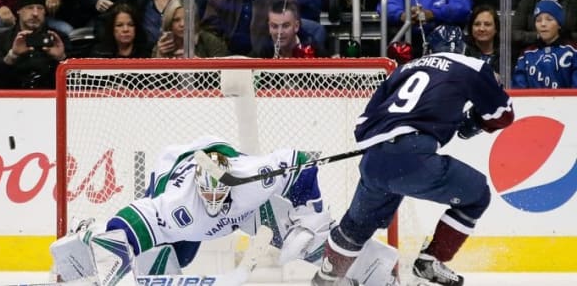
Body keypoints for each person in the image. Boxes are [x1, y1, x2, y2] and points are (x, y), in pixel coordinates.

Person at [311, 25, 515, 286]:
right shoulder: (470, 65)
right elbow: (503, 115)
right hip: (414, 157)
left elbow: (363, 124)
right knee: (477, 194)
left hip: (374, 161)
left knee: (356, 226)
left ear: (429, 50)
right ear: (462, 48)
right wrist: (471, 122)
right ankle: (430, 260)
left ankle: (326, 278)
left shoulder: (405, 69)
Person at [56, 135, 332, 279]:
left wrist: (310, 216)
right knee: (164, 257)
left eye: (218, 195)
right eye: (207, 195)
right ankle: (87, 235)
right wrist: (111, 251)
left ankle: (347, 262)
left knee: (302, 239)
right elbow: (134, 218)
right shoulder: (178, 206)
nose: (212, 203)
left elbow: (303, 164)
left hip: (224, 163)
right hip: (174, 166)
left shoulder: (252, 180)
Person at [0, 0, 68, 89]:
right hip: (13, 100)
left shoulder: (59, 39)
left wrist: (62, 59)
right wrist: (12, 56)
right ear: (19, 10)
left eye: (40, 8)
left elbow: (74, 84)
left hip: (50, 100)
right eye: (30, 7)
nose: (35, 13)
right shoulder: (2, 39)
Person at [512, 0, 577, 89]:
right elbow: (518, 88)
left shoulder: (573, 51)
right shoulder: (526, 54)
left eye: (549, 19)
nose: (543, 24)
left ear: (559, 24)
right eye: (538, 20)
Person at [152, 0, 228, 58]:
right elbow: (153, 76)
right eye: (176, 20)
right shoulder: (161, 47)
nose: (182, 24)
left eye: (187, 19)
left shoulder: (211, 42)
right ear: (169, 22)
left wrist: (199, 65)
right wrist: (160, 57)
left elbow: (223, 74)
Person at [251, 0, 328, 59]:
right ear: (269, 27)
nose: (280, 32)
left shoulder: (314, 50)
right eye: (274, 26)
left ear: (296, 26)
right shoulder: (261, 50)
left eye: (285, 26)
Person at [465, 4, 500, 78]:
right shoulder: (463, 53)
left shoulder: (506, 55)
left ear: (496, 28)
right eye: (477, 24)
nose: (482, 29)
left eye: (487, 24)